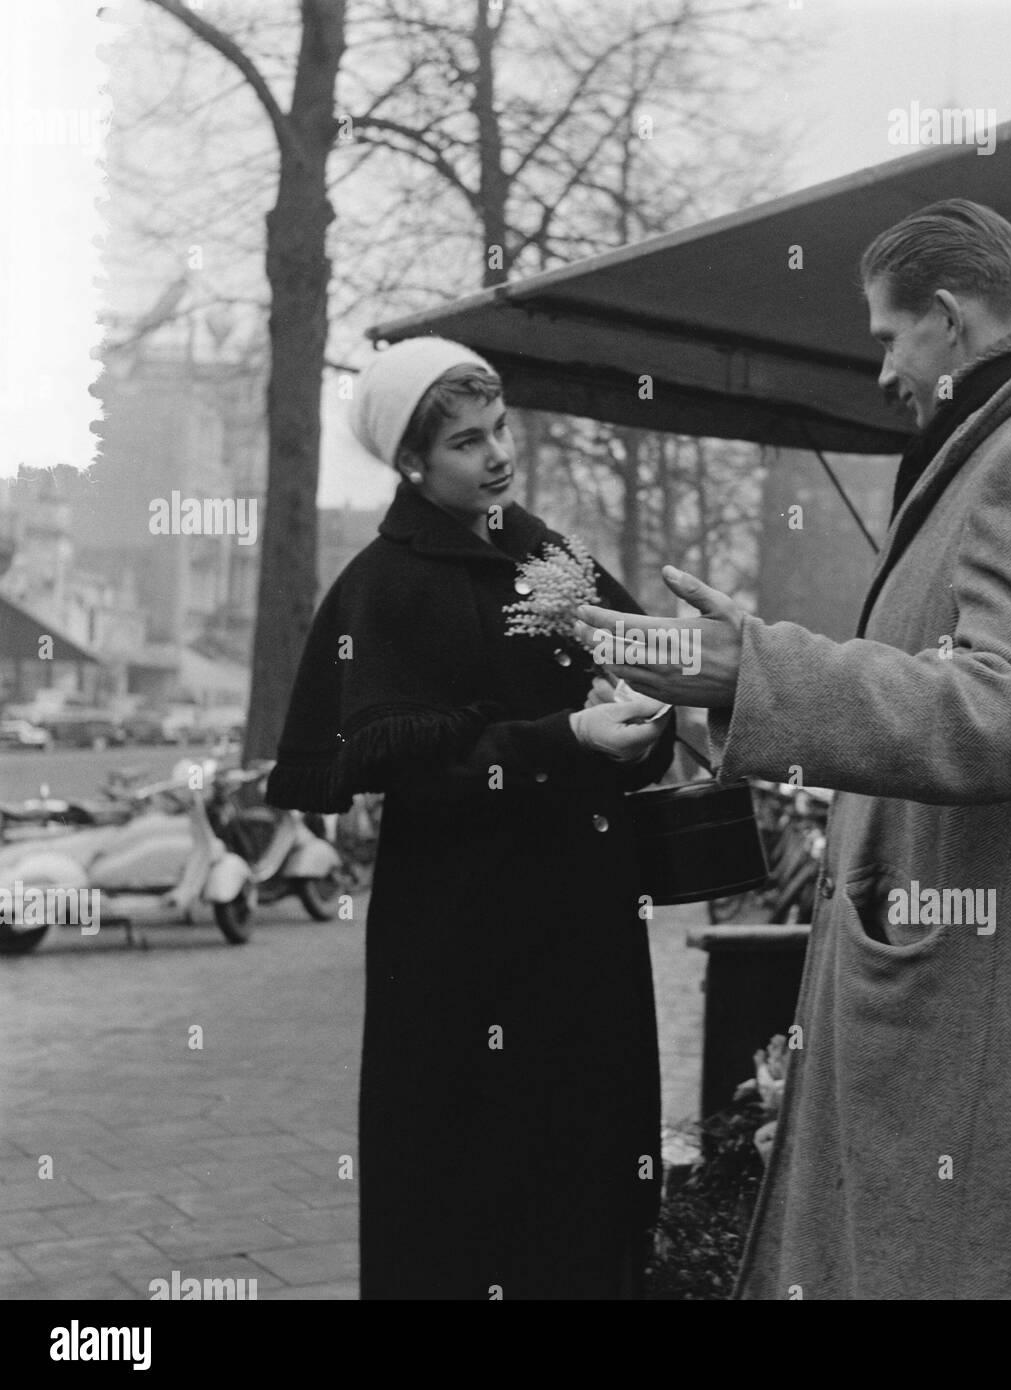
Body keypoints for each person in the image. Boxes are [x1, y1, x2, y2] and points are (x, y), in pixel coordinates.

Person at [575, 199, 1011, 1299]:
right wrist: (738, 682)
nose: (884, 370)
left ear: (944, 318)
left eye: (887, 336)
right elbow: (949, 689)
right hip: (977, 1009)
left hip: (973, 1027)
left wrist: (750, 667)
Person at [265, 337, 675, 1299]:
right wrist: (566, 740)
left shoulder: (552, 561)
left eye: (499, 429)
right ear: (412, 462)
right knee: (472, 1177)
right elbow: (417, 769)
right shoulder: (386, 584)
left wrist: (650, 719)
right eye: (464, 442)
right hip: (464, 942)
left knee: (586, 1162)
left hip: (584, 925)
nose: (496, 454)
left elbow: (639, 675)